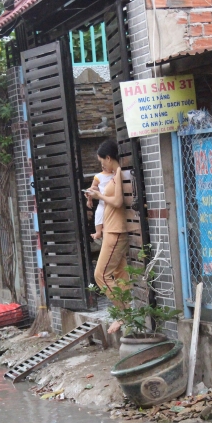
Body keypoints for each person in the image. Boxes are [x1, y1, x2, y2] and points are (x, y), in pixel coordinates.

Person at [85, 140, 129, 334]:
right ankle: (128, 317)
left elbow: (118, 201)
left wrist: (99, 197)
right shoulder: (112, 175)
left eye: (103, 162)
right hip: (112, 229)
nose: (102, 166)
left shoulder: (118, 173)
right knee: (120, 274)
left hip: (116, 231)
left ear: (109, 158)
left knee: (100, 275)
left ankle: (123, 315)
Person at [86, 166, 115, 241]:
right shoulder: (98, 176)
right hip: (102, 201)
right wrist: (89, 200)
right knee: (99, 213)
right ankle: (98, 232)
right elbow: (91, 189)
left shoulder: (115, 174)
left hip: (113, 200)